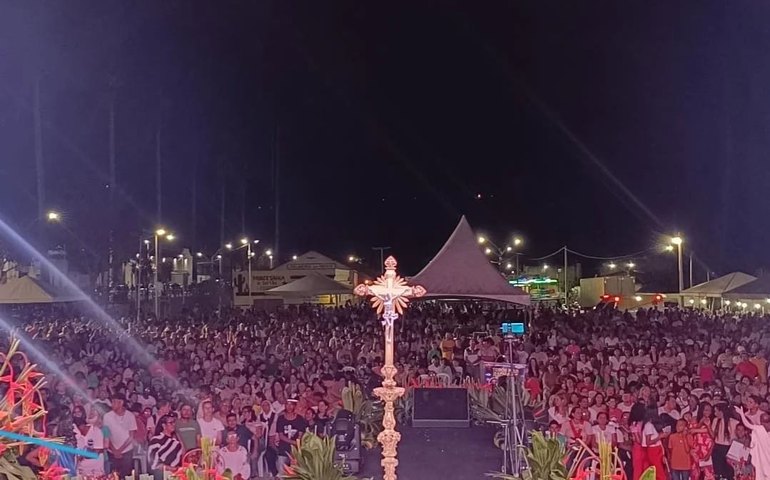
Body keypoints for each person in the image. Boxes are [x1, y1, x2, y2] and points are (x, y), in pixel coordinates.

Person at [102, 393, 137, 476]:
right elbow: (106, 434)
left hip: (126, 451)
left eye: (114, 402)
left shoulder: (130, 416)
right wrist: (114, 450)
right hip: (112, 451)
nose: (112, 404)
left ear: (121, 402)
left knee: (126, 474)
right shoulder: (107, 416)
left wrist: (120, 450)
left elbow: (131, 436)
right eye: (112, 402)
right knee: (114, 475)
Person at [735, 405, 770, 480]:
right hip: (762, 457)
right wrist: (741, 414)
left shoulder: (760, 428)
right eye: (763, 421)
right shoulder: (759, 428)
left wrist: (741, 414)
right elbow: (747, 425)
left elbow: (747, 424)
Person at [275, 397, 307, 474]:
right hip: (283, 447)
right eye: (287, 404)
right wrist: (293, 442)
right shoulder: (281, 418)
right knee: (281, 469)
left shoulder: (300, 419)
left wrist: (296, 445)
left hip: (296, 449)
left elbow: (300, 435)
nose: (289, 407)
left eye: (291, 405)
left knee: (296, 471)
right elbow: (281, 436)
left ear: (294, 406)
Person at [147, 414, 183, 480]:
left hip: (176, 473)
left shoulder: (175, 441)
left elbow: (181, 456)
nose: (173, 424)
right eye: (170, 423)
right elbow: (154, 462)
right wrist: (171, 469)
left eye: (174, 422)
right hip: (161, 473)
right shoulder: (156, 440)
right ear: (164, 425)